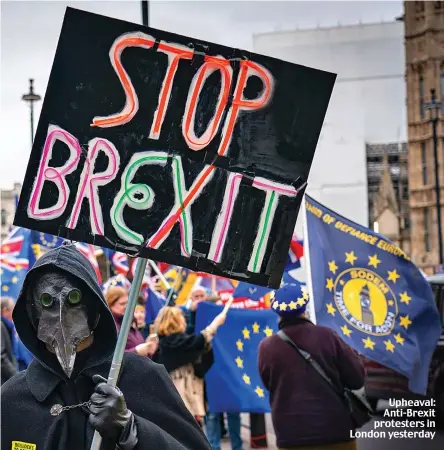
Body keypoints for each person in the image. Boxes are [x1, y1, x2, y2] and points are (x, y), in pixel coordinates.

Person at [1, 242, 212, 450]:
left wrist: (132, 430)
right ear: (32, 313)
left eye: (73, 299)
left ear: (95, 308)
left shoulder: (141, 376)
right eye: (47, 301)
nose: (61, 315)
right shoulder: (14, 398)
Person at [258, 281, 365, 450]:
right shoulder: (328, 336)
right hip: (336, 432)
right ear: (304, 307)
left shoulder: (266, 347)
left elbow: (268, 384)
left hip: (290, 436)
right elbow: (357, 379)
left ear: (277, 312)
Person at [154, 306, 226, 426]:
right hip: (182, 398)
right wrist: (215, 324)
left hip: (185, 397)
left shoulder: (162, 344)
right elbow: (198, 341)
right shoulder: (171, 344)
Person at [105, 286, 157, 357]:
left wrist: (147, 347)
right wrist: (136, 351)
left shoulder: (129, 322)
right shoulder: (109, 326)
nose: (127, 306)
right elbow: (109, 357)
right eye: (122, 304)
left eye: (127, 303)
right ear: (110, 305)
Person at [1, 297, 17, 385]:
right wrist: (15, 375)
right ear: (4, 310)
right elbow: (1, 357)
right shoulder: (1, 326)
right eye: (12, 310)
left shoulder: (5, 325)